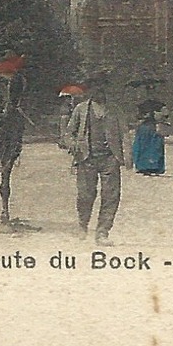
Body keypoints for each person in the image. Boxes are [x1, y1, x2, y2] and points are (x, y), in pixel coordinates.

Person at [64, 73, 127, 245]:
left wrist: (126, 157)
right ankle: (82, 225)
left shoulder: (115, 110)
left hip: (110, 158)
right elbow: (68, 134)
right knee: (85, 195)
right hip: (86, 158)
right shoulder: (81, 109)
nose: (99, 90)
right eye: (95, 87)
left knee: (111, 196)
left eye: (102, 86)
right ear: (89, 90)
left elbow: (125, 134)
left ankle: (102, 232)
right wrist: (73, 144)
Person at [131, 98, 168, 176]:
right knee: (147, 147)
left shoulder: (157, 104)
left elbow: (165, 115)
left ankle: (151, 166)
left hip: (151, 128)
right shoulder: (144, 105)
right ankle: (147, 166)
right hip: (147, 128)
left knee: (152, 147)